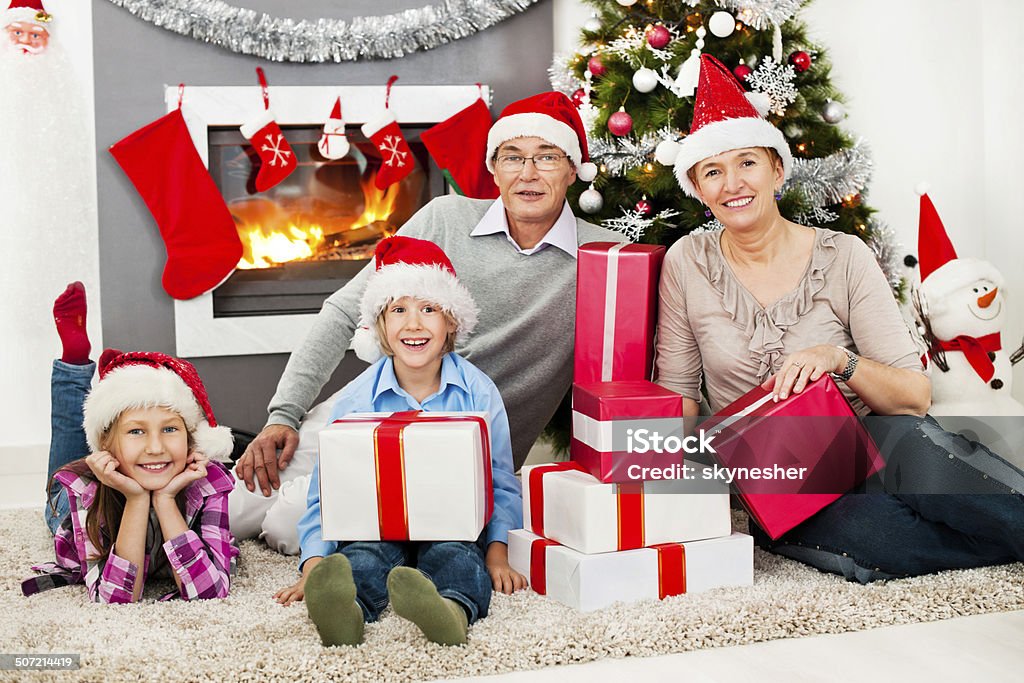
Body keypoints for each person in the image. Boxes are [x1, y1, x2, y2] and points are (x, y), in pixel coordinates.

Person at [655, 55, 1024, 583]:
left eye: (747, 163)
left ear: (777, 169)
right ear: (698, 187)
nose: (732, 182)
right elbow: (678, 395)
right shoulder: (686, 263)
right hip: (774, 470)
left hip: (872, 436)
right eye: (712, 171)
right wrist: (683, 499)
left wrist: (838, 360)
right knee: (883, 539)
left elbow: (914, 397)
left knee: (932, 463)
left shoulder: (844, 254)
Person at [230, 91, 626, 545]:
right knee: (234, 508)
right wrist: (284, 414)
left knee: (297, 526)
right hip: (371, 417)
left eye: (547, 156)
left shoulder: (605, 258)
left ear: (573, 169)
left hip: (465, 455)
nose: (528, 173)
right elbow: (343, 311)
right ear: (494, 169)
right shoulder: (445, 218)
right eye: (512, 157)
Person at [273, 236, 524, 647]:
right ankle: (346, 614)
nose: (413, 324)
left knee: (458, 556)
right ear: (380, 326)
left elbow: (501, 479)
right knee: (361, 558)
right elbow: (327, 489)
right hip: (376, 524)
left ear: (452, 324)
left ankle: (452, 611)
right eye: (399, 310)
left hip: (452, 524)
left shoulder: (478, 393)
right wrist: (314, 564)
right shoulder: (356, 399)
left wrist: (498, 551)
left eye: (429, 309)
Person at [22, 283, 239, 603]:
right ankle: (74, 362)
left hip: (134, 471)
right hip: (84, 496)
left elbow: (209, 592)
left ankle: (112, 384)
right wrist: (136, 500)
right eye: (137, 431)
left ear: (191, 439)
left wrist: (165, 500)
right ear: (106, 449)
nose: (155, 447)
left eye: (169, 430)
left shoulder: (208, 481)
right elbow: (116, 599)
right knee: (71, 431)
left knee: (106, 434)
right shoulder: (84, 489)